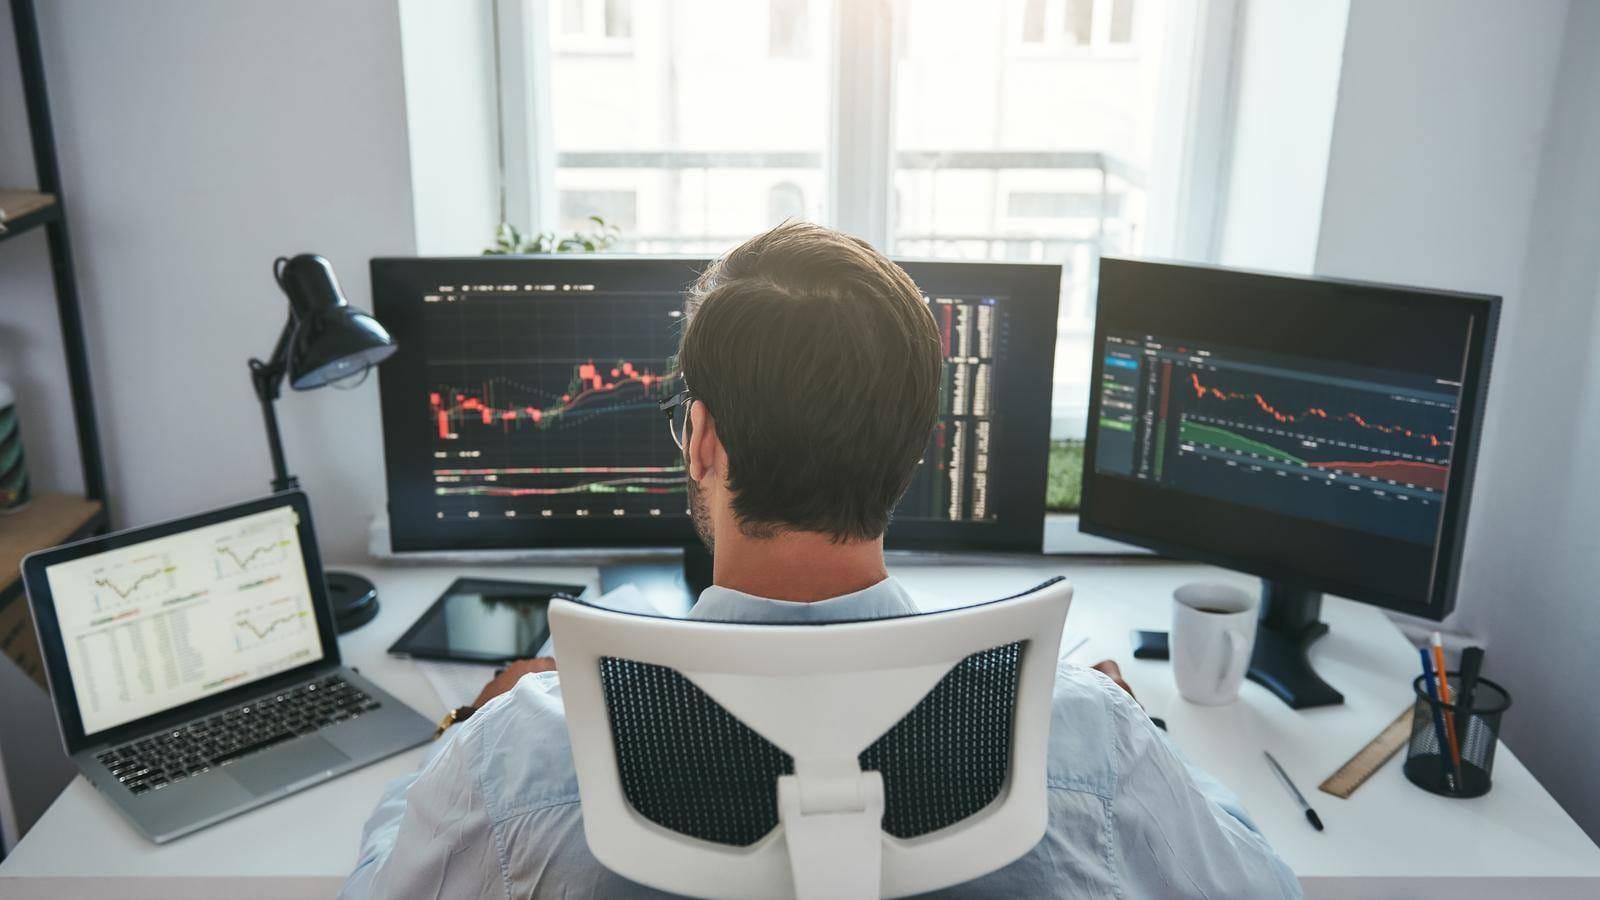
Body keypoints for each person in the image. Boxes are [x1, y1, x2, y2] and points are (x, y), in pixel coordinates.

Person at [341, 223, 1303, 899]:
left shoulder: (524, 752)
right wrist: (1139, 732)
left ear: (703, 442)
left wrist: (464, 733)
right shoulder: (1083, 734)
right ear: (919, 447)